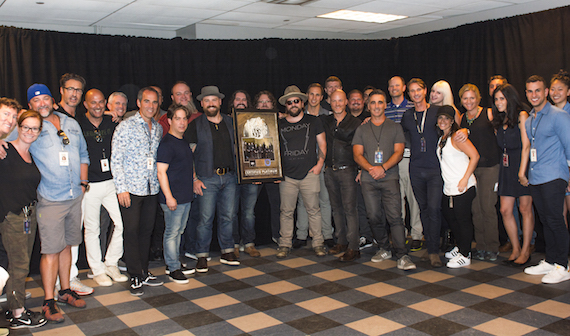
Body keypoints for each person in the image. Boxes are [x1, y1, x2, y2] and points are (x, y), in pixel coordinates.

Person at [27, 84, 89, 322]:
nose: (41, 104)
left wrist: (83, 184)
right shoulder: (29, 126)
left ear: (53, 101)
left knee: (67, 246)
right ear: (30, 105)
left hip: (75, 195)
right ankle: (48, 300)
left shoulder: (71, 123)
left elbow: (83, 154)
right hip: (50, 198)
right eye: (35, 101)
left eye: (45, 99)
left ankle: (65, 291)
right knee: (51, 250)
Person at [353, 89, 416, 270]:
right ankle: (383, 247)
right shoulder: (362, 129)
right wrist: (371, 169)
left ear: (385, 105)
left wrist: (383, 168)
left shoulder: (395, 127)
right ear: (368, 105)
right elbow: (357, 154)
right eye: (373, 103)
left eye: (380, 102)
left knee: (395, 216)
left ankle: (402, 255)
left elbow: (399, 152)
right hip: (368, 178)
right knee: (373, 216)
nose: (376, 106)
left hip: (390, 177)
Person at [112, 87, 164, 296]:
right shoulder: (126, 126)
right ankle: (134, 274)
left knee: (146, 232)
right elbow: (116, 159)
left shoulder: (158, 128)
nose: (151, 106)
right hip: (131, 189)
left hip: (151, 188)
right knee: (131, 232)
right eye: (147, 101)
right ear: (139, 102)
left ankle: (143, 270)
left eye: (154, 102)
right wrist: (121, 189)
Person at [0, 106, 47, 329]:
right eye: (26, 127)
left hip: (29, 215)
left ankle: (14, 303)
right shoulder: (5, 150)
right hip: (13, 217)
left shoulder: (32, 154)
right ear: (18, 128)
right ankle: (17, 313)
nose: (30, 131)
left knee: (21, 264)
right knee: (19, 265)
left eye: (35, 128)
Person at [184, 86, 240, 272]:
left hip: (230, 177)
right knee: (205, 219)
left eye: (213, 100)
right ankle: (202, 255)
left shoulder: (231, 122)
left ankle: (227, 251)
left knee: (228, 217)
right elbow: (188, 155)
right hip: (207, 178)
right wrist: (194, 179)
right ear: (201, 103)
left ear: (220, 102)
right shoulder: (195, 125)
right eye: (207, 101)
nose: (210, 103)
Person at [522, 75, 570, 284]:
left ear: (546, 91)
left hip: (554, 176)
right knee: (545, 220)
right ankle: (550, 261)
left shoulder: (559, 116)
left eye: (538, 91)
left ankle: (562, 265)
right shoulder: (531, 119)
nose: (534, 95)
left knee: (556, 220)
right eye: (530, 91)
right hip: (536, 177)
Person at [79, 89, 128, 286]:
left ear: (105, 104)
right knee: (92, 229)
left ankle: (111, 263)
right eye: (93, 103)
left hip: (111, 182)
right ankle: (97, 269)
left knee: (122, 224)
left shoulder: (113, 122)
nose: (97, 106)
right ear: (86, 104)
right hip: (90, 185)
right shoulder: (78, 123)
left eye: (101, 102)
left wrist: (111, 114)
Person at [276, 85, 327, 258]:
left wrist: (320, 163)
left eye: (296, 101)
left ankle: (318, 243)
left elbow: (322, 144)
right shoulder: (279, 124)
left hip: (309, 174)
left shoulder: (314, 121)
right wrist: (275, 171)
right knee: (286, 211)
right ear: (286, 106)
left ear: (302, 103)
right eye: (289, 102)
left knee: (313, 210)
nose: (293, 104)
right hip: (287, 176)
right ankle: (284, 244)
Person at [400, 78, 446, 267]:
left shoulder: (436, 111)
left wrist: (464, 132)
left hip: (435, 168)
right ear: (409, 94)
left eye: (418, 90)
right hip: (416, 168)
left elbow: (452, 127)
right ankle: (430, 246)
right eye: (412, 91)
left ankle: (434, 251)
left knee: (434, 209)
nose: (415, 93)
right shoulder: (407, 115)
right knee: (423, 209)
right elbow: (401, 136)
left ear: (425, 91)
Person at [491, 84, 534, 266]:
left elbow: (526, 145)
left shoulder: (522, 116)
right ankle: (515, 248)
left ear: (510, 98)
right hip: (506, 168)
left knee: (525, 209)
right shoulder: (500, 120)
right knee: (505, 210)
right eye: (496, 99)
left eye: (502, 98)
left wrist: (522, 172)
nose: (499, 102)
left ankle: (525, 250)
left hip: (522, 166)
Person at [459, 84, 501, 261]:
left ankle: (492, 247)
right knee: (476, 209)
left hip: (491, 167)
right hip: (472, 169)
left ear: (478, 98)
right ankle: (481, 246)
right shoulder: (462, 118)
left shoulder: (489, 113)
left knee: (487, 207)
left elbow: (500, 137)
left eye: (472, 98)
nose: (469, 101)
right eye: (465, 98)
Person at [436, 106, 479, 268]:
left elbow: (475, 156)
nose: (442, 121)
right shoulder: (442, 138)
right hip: (449, 187)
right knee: (452, 219)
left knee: (463, 220)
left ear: (452, 121)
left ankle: (466, 254)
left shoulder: (457, 137)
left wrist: (464, 179)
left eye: (446, 118)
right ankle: (460, 247)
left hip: (463, 186)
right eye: (440, 118)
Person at [157, 104, 196, 283]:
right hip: (173, 198)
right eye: (177, 118)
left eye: (184, 118)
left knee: (178, 232)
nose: (181, 122)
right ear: (170, 121)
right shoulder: (166, 144)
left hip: (185, 196)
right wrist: (169, 197)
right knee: (172, 233)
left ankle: (173, 262)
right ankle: (173, 268)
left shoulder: (183, 141)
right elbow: (161, 172)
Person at [321, 90, 361, 261]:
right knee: (336, 209)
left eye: (340, 100)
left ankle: (354, 247)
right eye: (334, 101)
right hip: (330, 170)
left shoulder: (356, 123)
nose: (337, 104)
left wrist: (360, 169)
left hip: (348, 170)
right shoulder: (325, 121)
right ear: (330, 102)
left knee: (350, 210)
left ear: (346, 102)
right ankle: (341, 242)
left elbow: (360, 147)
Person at [294, 84, 333, 249]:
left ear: (322, 97)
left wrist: (323, 162)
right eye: (311, 94)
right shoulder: (300, 116)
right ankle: (301, 235)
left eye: (318, 95)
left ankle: (328, 234)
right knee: (303, 201)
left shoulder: (328, 116)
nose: (314, 98)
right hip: (305, 165)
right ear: (307, 96)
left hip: (322, 164)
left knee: (325, 200)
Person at [386, 76, 422, 252]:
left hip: (409, 158)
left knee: (414, 198)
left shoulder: (411, 107)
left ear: (404, 87)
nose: (394, 88)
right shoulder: (383, 109)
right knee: (395, 200)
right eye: (391, 86)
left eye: (397, 85)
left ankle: (416, 234)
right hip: (390, 161)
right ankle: (400, 234)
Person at [228, 90, 261, 258]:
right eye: (237, 99)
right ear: (232, 102)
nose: (240, 102)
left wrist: (259, 173)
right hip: (231, 173)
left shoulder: (255, 121)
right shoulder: (226, 121)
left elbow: (263, 145)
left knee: (249, 211)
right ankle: (233, 244)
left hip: (251, 172)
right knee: (231, 211)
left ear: (248, 103)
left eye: (244, 99)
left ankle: (248, 243)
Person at [253, 90, 282, 243]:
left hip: (273, 170)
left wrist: (278, 172)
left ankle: (277, 236)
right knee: (248, 207)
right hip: (255, 171)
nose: (264, 105)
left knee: (277, 205)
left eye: (267, 102)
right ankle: (248, 239)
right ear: (256, 105)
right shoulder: (248, 121)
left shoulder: (280, 121)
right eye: (261, 102)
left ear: (273, 104)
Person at [548, 70, 570, 227]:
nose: (555, 93)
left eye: (560, 89)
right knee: (557, 214)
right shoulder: (547, 113)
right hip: (554, 171)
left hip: (567, 169)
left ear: (568, 92)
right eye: (553, 89)